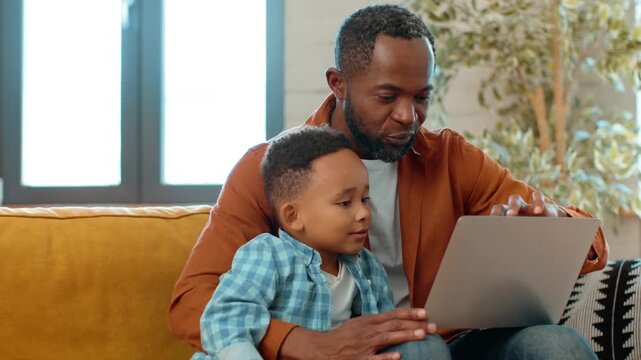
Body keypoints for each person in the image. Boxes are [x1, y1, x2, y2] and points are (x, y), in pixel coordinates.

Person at [170, 4, 608, 359]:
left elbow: (592, 245)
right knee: (421, 351)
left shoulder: (451, 157)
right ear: (338, 83)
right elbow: (193, 301)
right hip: (347, 348)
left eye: (422, 97)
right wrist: (303, 343)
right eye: (387, 96)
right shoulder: (271, 167)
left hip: (450, 341)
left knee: (556, 345)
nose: (407, 115)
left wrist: (551, 221)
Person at [193, 126, 449, 360]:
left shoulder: (367, 266)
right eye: (345, 203)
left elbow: (381, 331)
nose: (364, 213)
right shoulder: (269, 255)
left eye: (365, 199)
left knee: (427, 347)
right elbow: (225, 319)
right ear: (294, 216)